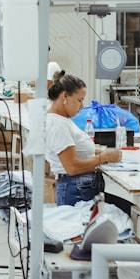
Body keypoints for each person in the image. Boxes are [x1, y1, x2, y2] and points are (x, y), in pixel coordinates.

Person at [45, 74, 122, 206]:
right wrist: (104, 157)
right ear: (65, 97)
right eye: (79, 100)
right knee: (126, 214)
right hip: (76, 189)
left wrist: (95, 152)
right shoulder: (58, 125)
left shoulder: (62, 120)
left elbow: (73, 152)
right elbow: (72, 167)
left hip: (80, 186)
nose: (82, 106)